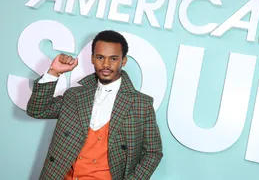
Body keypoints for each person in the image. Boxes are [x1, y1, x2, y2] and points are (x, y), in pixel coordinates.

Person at [26, 30, 163, 180]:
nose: (106, 64)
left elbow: (153, 152)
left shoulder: (141, 104)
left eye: (113, 59)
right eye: (100, 57)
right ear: (92, 59)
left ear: (123, 61)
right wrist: (54, 72)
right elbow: (37, 110)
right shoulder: (74, 95)